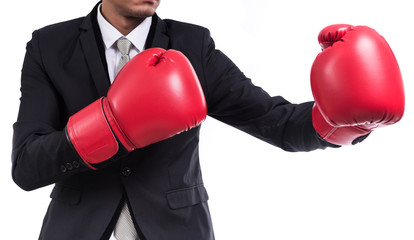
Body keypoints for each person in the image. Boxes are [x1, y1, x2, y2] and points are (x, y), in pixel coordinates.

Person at [11, 0, 404, 239]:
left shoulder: (192, 44)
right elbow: (27, 166)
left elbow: (275, 121)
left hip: (176, 231)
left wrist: (345, 122)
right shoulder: (49, 45)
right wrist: (108, 127)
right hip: (77, 229)